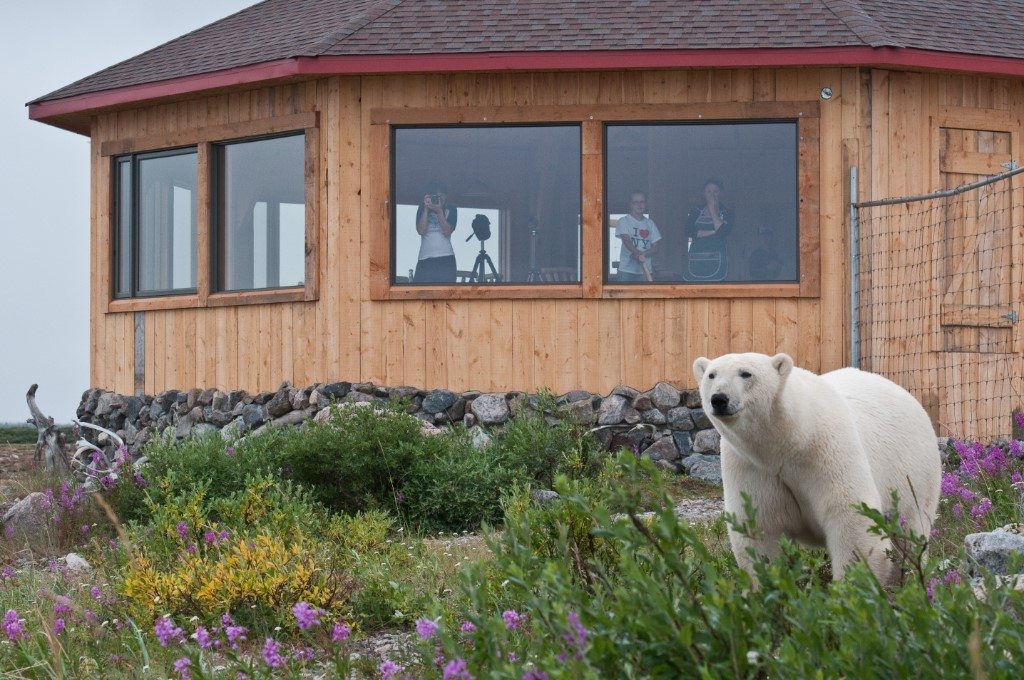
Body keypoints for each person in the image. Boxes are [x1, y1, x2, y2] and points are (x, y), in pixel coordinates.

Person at [684, 178, 732, 281]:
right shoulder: (695, 211)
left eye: (716, 191)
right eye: (709, 191)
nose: (712, 195)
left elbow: (724, 232)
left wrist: (712, 211)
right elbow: (688, 231)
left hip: (717, 262)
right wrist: (714, 231)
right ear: (703, 194)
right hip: (696, 261)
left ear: (721, 194)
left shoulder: (727, 212)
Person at [414, 180, 458, 283]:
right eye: (436, 196)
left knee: (446, 293)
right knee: (420, 292)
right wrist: (426, 208)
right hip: (425, 258)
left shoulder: (451, 209)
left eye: (442, 196)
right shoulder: (422, 208)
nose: (439, 199)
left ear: (446, 196)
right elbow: (421, 230)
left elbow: (447, 231)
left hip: (446, 258)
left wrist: (439, 211)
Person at [615, 191, 661, 282]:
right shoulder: (624, 221)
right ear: (630, 204)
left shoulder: (650, 223)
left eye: (642, 202)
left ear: (646, 204)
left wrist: (643, 254)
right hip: (626, 270)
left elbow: (656, 247)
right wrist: (637, 253)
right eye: (635, 202)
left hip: (645, 270)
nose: (639, 205)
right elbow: (626, 240)